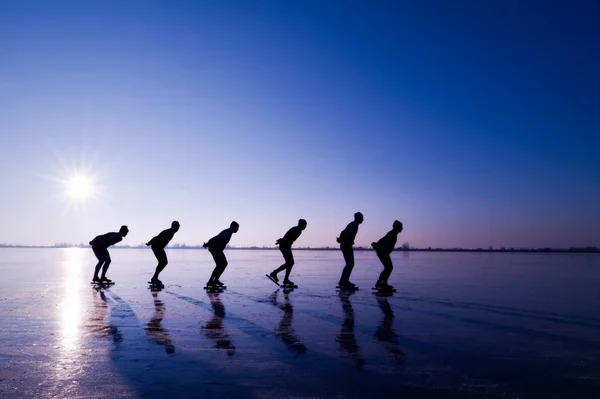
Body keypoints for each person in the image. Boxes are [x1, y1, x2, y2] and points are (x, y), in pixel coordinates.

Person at [268, 219, 307, 287]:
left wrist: (282, 240)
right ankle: (276, 274)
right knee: (290, 263)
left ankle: (282, 277)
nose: (305, 227)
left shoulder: (298, 230)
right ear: (301, 224)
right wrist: (282, 241)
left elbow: (287, 237)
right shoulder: (296, 230)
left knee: (290, 263)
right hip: (285, 246)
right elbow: (288, 237)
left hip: (286, 246)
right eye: (305, 225)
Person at [203, 221, 239, 288]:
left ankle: (213, 281)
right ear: (233, 227)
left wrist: (208, 244)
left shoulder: (228, 232)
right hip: (215, 249)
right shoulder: (227, 232)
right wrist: (208, 244)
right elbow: (216, 238)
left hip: (216, 249)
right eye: (237, 228)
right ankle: (213, 281)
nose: (238, 229)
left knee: (221, 265)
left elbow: (216, 237)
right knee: (222, 264)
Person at [146, 221, 180, 286]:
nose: (178, 229)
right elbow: (156, 237)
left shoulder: (171, 232)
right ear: (173, 227)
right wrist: (150, 242)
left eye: (178, 227)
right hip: (156, 247)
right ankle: (155, 278)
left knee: (163, 262)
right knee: (163, 262)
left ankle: (155, 277)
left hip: (159, 247)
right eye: (177, 227)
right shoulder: (168, 232)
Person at [371, 220, 403, 290]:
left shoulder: (393, 233)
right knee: (389, 267)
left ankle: (383, 283)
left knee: (388, 268)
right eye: (401, 227)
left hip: (383, 252)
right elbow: (382, 241)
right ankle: (380, 283)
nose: (402, 228)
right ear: (396, 227)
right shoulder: (392, 234)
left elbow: (382, 240)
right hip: (382, 252)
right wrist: (378, 246)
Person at [336, 212, 364, 288]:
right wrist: (343, 240)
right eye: (362, 218)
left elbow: (343, 232)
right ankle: (343, 282)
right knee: (350, 264)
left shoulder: (354, 224)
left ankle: (344, 281)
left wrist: (341, 239)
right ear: (358, 218)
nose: (363, 220)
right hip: (346, 245)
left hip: (346, 245)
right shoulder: (354, 225)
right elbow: (344, 233)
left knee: (350, 264)